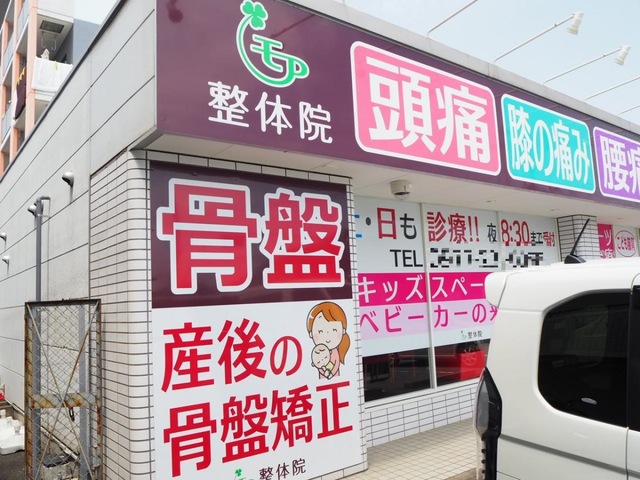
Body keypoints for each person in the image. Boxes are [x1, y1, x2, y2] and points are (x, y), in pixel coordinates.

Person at [307, 301, 350, 378]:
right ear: (311, 334)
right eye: (320, 332)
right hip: (323, 377)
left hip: (334, 377)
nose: (327, 337)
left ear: (343, 330)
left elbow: (336, 364)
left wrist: (331, 374)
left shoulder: (335, 351)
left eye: (334, 330)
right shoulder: (318, 351)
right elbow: (318, 364)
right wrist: (324, 372)